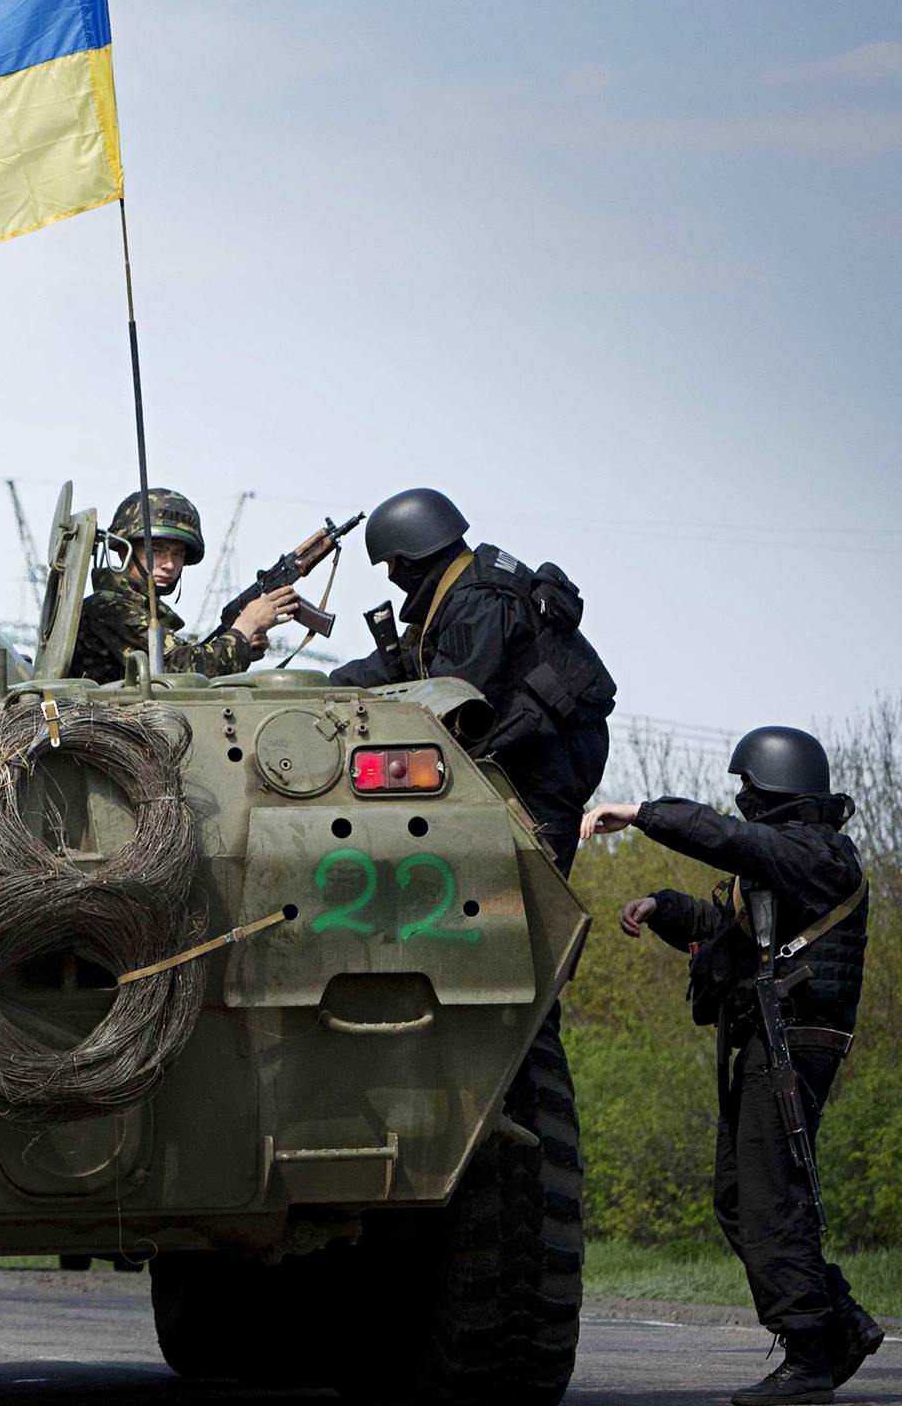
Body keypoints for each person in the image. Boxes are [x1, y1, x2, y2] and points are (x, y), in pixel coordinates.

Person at [582, 726, 880, 1403]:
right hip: (771, 1043)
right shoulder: (788, 867)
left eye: (750, 788)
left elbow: (728, 837)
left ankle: (808, 1355)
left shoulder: (818, 856)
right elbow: (730, 940)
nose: (743, 801)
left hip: (795, 1044)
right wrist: (661, 908)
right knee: (741, 1197)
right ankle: (837, 1319)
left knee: (773, 1197)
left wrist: (639, 813)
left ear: (777, 789)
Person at [328, 487, 614, 871]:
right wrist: (328, 685)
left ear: (415, 554)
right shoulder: (461, 590)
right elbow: (414, 663)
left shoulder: (478, 602)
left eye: (393, 563)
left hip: (546, 771)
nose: (393, 575)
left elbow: (449, 696)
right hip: (530, 764)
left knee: (526, 894)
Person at [70, 487, 299, 684]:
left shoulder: (139, 608)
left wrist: (242, 645)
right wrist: (245, 626)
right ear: (124, 549)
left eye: (178, 554)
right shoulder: (109, 608)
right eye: (156, 551)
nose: (169, 564)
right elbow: (181, 672)